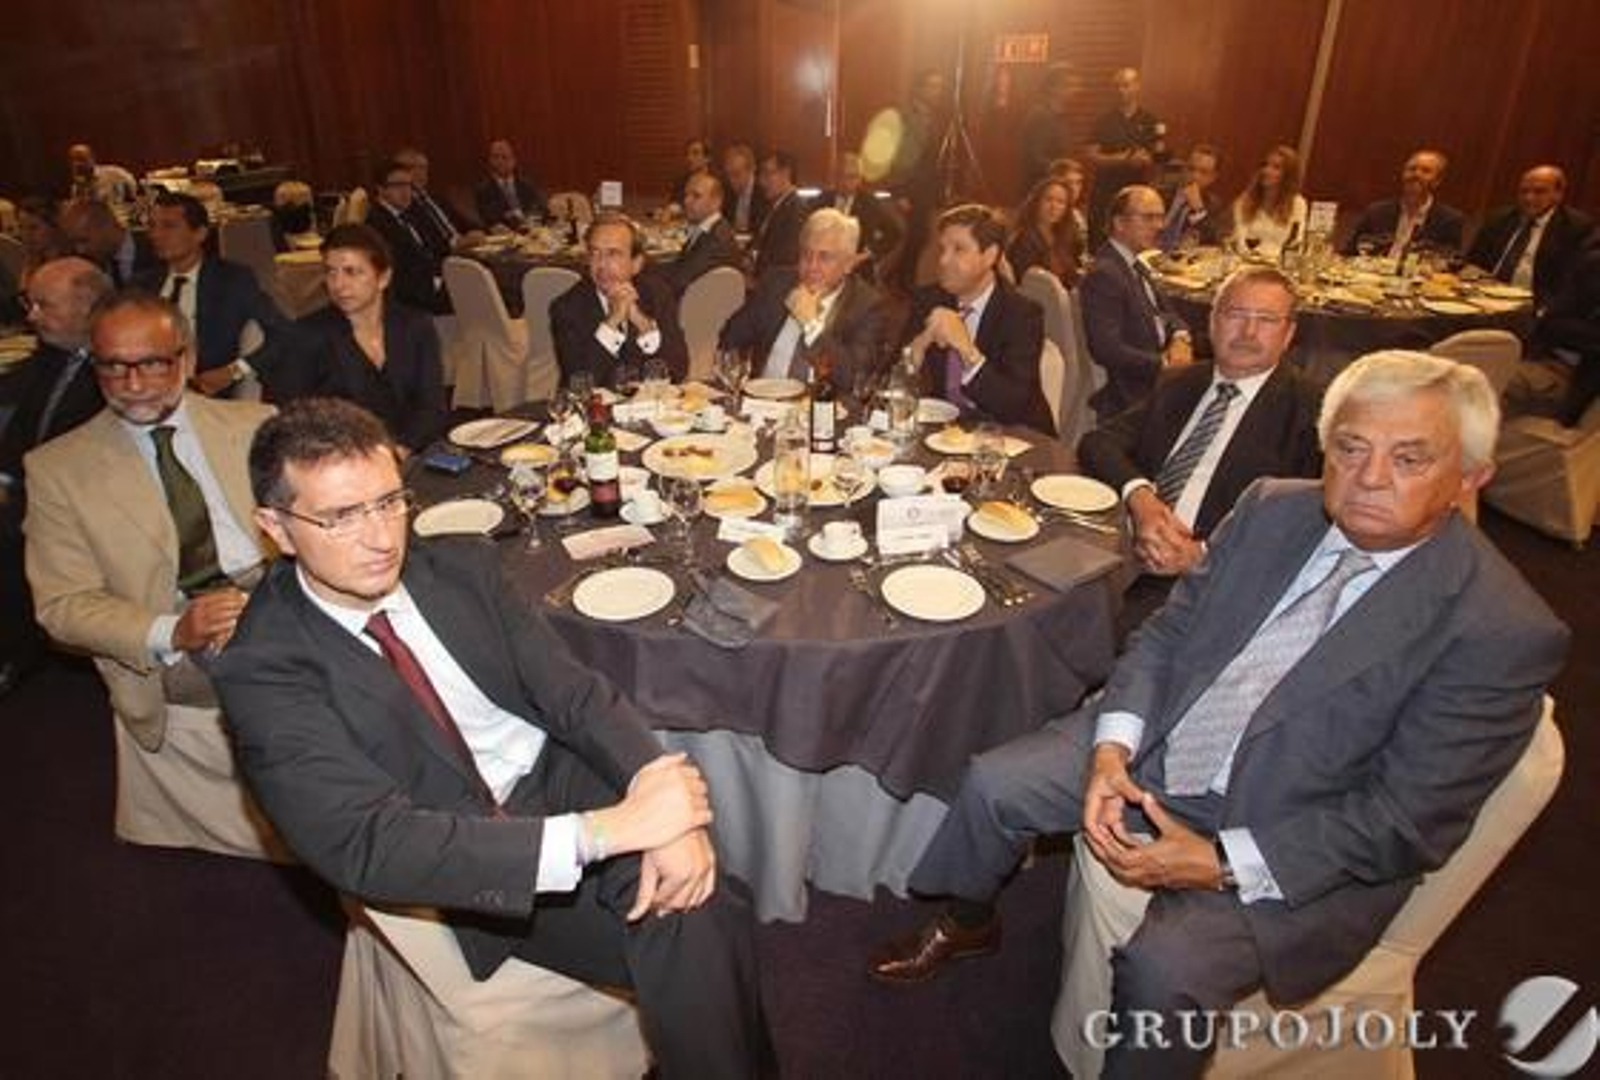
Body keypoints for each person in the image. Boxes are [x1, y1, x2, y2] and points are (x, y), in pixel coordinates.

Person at [870, 350, 1568, 1078]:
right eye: (1351, 448)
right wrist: (1113, 746)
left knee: (1166, 968)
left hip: (1292, 823)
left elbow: (1404, 822)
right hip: (1165, 743)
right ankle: (970, 919)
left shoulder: (1499, 629)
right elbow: (1170, 633)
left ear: (1471, 477)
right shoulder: (1274, 507)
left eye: (1410, 459)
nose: (1367, 479)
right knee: (992, 783)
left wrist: (1223, 862)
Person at [211, 398, 770, 1077]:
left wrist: (662, 803)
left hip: (552, 774)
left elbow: (574, 695)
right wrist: (609, 831)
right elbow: (369, 844)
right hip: (461, 849)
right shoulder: (262, 668)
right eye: (340, 516)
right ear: (276, 528)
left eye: (390, 501)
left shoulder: (460, 567)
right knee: (700, 920)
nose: (382, 537)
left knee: (698, 899)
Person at [23, 292, 283, 857]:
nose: (132, 383)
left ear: (186, 360)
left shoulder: (255, 423)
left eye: (152, 363)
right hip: (176, 628)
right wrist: (174, 631)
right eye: (112, 365)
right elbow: (61, 606)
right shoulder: (57, 470)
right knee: (292, 673)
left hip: (274, 588)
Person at [1079, 266, 1323, 627]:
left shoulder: (1310, 411)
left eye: (1267, 320)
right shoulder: (1183, 382)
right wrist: (1141, 498)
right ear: (1212, 322)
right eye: (1236, 314)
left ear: (1288, 334)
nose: (1248, 332)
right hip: (1122, 546)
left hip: (1209, 586)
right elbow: (1099, 442)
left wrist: (1203, 557)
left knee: (1082, 637)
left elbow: (1308, 530)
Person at [0, 257, 113, 695]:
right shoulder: (52, 356)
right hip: (37, 481)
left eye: (45, 305)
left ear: (87, 307)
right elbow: (24, 426)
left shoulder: (117, 365)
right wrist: (7, 478)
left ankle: (15, 651)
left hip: (85, 496)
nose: (32, 317)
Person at [291, 224, 447, 452]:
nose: (338, 284)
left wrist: (402, 450)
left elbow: (432, 407)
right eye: (330, 272)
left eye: (351, 272)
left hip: (413, 454)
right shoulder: (307, 335)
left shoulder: (415, 326)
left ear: (383, 278)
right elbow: (301, 424)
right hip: (345, 464)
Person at [902, 204, 1054, 434]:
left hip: (1013, 437)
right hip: (945, 435)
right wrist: (921, 342)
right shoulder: (928, 300)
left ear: (990, 255)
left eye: (958, 250)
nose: (943, 260)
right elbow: (888, 380)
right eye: (942, 249)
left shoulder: (1021, 314)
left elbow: (1013, 405)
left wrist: (967, 350)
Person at [133, 191, 292, 398]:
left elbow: (284, 334)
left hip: (205, 394)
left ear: (200, 234)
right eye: (152, 226)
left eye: (169, 226)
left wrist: (234, 371)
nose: (156, 235)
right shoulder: (141, 285)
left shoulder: (232, 280)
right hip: (145, 393)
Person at [719, 207, 886, 390]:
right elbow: (729, 338)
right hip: (760, 405)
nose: (812, 266)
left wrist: (811, 326)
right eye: (806, 254)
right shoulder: (777, 284)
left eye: (824, 257)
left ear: (847, 264)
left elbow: (853, 379)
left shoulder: (866, 306)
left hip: (819, 411)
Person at [1080, 185, 1193, 420]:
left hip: (1160, 369)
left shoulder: (1136, 263)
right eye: (1149, 217)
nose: (1159, 226)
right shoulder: (1105, 274)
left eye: (1160, 217)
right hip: (1134, 390)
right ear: (1119, 223)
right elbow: (1106, 349)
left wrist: (1181, 338)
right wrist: (1164, 364)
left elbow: (1169, 312)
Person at [551, 212, 689, 389]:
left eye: (613, 254)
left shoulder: (656, 294)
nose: (601, 265)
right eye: (595, 254)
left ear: (636, 264)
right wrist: (611, 323)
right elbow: (579, 384)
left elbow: (678, 370)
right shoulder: (567, 307)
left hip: (647, 409)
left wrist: (642, 322)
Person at [1505, 230, 1600, 426]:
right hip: (1550, 358)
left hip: (1578, 380)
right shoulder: (1593, 262)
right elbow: (1553, 321)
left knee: (1493, 383)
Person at [1466, 165, 1594, 304]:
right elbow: (1473, 262)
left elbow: (1570, 282)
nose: (1529, 198)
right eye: (1524, 191)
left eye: (1539, 192)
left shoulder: (1576, 228)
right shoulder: (1499, 218)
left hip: (1534, 304)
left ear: (1558, 194)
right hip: (1483, 295)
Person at [1085, 68, 1168, 243]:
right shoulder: (1104, 119)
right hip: (1106, 193)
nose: (1121, 91)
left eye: (1126, 85)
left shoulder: (1150, 120)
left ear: (1137, 87)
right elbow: (1091, 155)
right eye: (1117, 86)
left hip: (1137, 194)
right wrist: (1122, 159)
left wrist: (1147, 161)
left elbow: (1159, 158)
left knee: (1134, 241)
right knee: (1100, 241)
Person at [1341, 149, 1466, 259]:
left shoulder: (1450, 220)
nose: (1416, 174)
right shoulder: (1376, 211)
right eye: (1411, 169)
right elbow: (1350, 252)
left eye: (1426, 171)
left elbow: (1450, 260)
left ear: (1437, 181)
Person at [364, 158, 449, 315]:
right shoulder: (376, 224)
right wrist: (436, 282)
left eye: (409, 185)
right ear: (381, 189)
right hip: (410, 297)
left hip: (433, 282)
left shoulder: (413, 213)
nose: (406, 191)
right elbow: (398, 273)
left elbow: (439, 247)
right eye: (397, 185)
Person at [817, 151, 903, 282]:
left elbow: (894, 232)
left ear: (860, 178)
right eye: (843, 175)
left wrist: (867, 254)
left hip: (859, 272)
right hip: (825, 270)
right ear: (835, 175)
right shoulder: (821, 200)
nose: (847, 182)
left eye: (853, 177)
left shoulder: (870, 203)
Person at [659, 170, 745, 298]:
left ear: (716, 202)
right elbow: (681, 266)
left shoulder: (717, 238)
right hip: (693, 298)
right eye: (686, 195)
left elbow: (680, 281)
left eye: (696, 196)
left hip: (694, 309)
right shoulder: (707, 227)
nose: (687, 201)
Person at [394, 146, 481, 257]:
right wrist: (456, 244)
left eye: (424, 168)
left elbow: (462, 221)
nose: (421, 173)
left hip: (467, 249)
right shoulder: (406, 206)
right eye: (415, 168)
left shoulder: (436, 197)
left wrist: (479, 230)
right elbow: (430, 244)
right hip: (447, 257)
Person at [1228, 144, 1309, 260]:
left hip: (1280, 267)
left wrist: (1268, 256)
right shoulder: (1244, 201)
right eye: (1265, 165)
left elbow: (1296, 243)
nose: (1266, 171)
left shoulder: (1298, 203)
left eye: (1276, 167)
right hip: (1246, 265)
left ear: (1288, 175)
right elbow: (1240, 242)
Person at [60, 198, 160, 287]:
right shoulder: (86, 264)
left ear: (107, 226)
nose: (80, 249)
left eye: (84, 240)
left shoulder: (156, 248)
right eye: (74, 242)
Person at [1006, 176, 1085, 288]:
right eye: (1048, 199)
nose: (1054, 206)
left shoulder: (1065, 237)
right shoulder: (1023, 238)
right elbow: (1024, 283)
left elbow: (1071, 274)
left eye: (1061, 202)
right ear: (1037, 201)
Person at [1019, 63, 1080, 192]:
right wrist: (1063, 169)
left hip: (1053, 187)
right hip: (1040, 189)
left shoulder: (1059, 116)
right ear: (1053, 88)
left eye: (1076, 86)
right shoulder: (1041, 116)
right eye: (1069, 86)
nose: (1076, 90)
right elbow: (1032, 157)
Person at [751, 150, 809, 281]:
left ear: (786, 173)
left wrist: (757, 279)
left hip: (776, 287)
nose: (761, 181)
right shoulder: (772, 205)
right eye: (760, 174)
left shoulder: (796, 209)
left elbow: (787, 260)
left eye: (767, 174)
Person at [1158, 144, 1228, 252]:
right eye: (1191, 168)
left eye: (1203, 172)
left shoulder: (1213, 205)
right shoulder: (1161, 192)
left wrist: (1198, 210)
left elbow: (1212, 241)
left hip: (1182, 263)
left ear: (1213, 177)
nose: (1195, 176)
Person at [473, 139, 548, 230]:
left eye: (504, 157)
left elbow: (539, 207)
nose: (500, 162)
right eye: (495, 157)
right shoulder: (483, 190)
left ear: (513, 161)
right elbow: (490, 218)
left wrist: (529, 218)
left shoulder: (526, 184)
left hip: (530, 230)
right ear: (490, 160)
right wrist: (515, 216)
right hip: (503, 236)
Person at [67, 143, 138, 205]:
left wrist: (128, 199)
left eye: (81, 159)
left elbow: (131, 183)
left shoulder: (113, 173)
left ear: (91, 158)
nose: (77, 164)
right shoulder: (77, 187)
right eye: (73, 160)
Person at [721, 142, 767, 236]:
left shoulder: (764, 193)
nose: (731, 180)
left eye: (736, 174)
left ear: (752, 170)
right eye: (728, 174)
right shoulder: (726, 191)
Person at [1048, 157, 1092, 238]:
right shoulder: (1050, 213)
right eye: (1069, 182)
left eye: (1078, 183)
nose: (1074, 188)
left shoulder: (1078, 214)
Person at [669, 136, 715, 207]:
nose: (690, 158)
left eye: (695, 153)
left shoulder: (718, 182)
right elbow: (672, 206)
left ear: (707, 158)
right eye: (687, 154)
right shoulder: (680, 182)